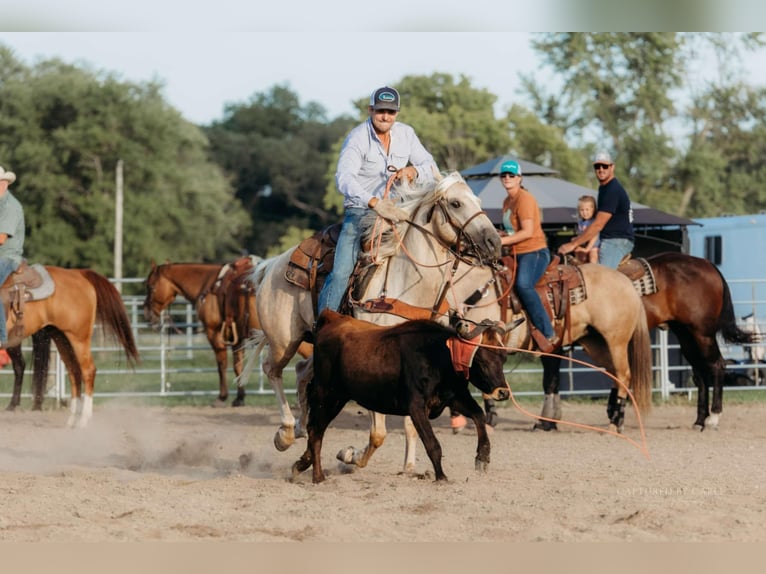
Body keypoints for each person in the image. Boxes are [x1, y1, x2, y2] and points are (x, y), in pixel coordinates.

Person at [317, 86, 438, 315]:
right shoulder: (357, 138)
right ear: (370, 110)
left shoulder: (407, 134)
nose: (385, 117)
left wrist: (413, 172)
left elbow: (432, 167)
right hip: (361, 212)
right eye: (380, 110)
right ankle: (325, 327)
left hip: (398, 211)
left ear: (397, 114)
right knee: (342, 271)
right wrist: (373, 202)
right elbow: (344, 178)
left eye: (391, 112)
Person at [498, 159, 558, 353]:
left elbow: (528, 232)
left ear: (519, 178)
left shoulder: (525, 199)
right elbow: (512, 230)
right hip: (515, 253)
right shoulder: (507, 201)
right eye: (504, 175)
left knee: (524, 285)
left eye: (511, 175)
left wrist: (502, 242)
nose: (507, 178)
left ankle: (547, 331)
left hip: (534, 251)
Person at [558, 151, 634, 268]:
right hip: (609, 238)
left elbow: (598, 224)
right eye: (597, 166)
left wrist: (573, 244)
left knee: (601, 278)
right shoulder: (604, 188)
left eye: (605, 166)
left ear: (612, 167)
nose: (601, 169)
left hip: (616, 240)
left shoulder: (612, 190)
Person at [0, 165, 25, 350]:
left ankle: (0, 336)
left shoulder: (10, 207)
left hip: (8, 257)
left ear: (4, 184)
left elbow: (1, 238)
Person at [573, 194, 600, 263]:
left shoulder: (594, 222)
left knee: (593, 256)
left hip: (594, 246)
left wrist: (587, 249)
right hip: (585, 245)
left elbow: (594, 237)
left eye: (587, 210)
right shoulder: (581, 222)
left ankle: (594, 271)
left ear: (593, 210)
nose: (585, 212)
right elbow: (581, 235)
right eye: (582, 210)